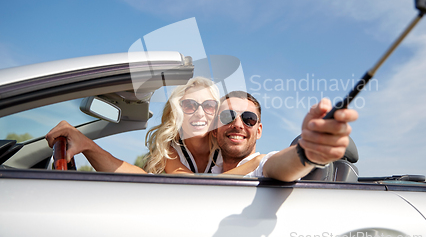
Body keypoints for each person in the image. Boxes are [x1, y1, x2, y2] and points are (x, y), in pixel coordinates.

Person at [45, 77, 262, 175]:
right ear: (179, 111)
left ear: (217, 113)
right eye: (189, 105)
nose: (199, 113)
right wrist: (87, 145)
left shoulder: (226, 143)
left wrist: (260, 163)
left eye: (208, 106)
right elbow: (188, 185)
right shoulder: (172, 147)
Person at [209, 91, 358, 182]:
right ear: (214, 131)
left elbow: (280, 165)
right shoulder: (206, 170)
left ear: (259, 131)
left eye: (249, 119)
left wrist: (307, 152)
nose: (238, 125)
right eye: (228, 116)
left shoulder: (262, 167)